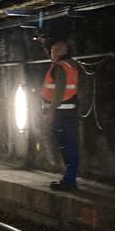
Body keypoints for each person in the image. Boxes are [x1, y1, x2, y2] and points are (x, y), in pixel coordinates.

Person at [42, 40, 80, 191]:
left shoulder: (59, 68)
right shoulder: (71, 64)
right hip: (68, 113)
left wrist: (50, 112)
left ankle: (69, 181)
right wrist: (44, 43)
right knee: (69, 145)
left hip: (61, 114)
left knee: (67, 146)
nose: (50, 54)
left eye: (52, 51)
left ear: (57, 53)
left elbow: (59, 92)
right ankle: (70, 179)